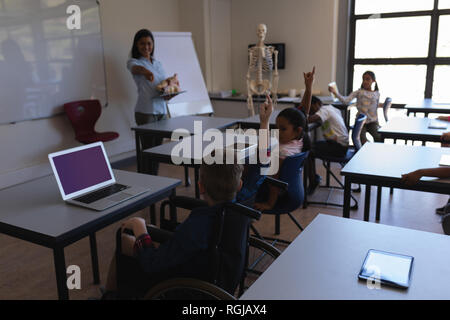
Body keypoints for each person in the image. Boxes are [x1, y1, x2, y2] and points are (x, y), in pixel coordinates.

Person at [103, 158, 244, 299]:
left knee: (125, 238)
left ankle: (109, 295)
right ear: (239, 186)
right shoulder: (237, 214)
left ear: (200, 187)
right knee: (150, 229)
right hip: (212, 273)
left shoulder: (197, 226)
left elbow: (152, 264)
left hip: (181, 285)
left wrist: (138, 226)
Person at [252, 72, 313, 211]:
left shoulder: (282, 152)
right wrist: (308, 87)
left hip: (276, 195)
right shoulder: (300, 139)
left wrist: (269, 204)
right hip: (295, 193)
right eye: (277, 127)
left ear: (297, 130)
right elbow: (304, 111)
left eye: (283, 129)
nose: (278, 132)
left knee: (242, 168)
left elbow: (274, 182)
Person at [127, 29, 178, 173]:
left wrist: (169, 92)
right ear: (136, 45)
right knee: (148, 151)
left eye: (149, 43)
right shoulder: (133, 62)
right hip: (146, 112)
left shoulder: (158, 63)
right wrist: (146, 72)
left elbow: (163, 85)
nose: (146, 47)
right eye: (142, 43)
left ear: (153, 45)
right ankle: (146, 182)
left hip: (161, 111)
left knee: (158, 151)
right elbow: (136, 69)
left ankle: (155, 180)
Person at [305, 95, 350, 194]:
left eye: (311, 109)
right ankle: (314, 178)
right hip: (343, 146)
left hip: (338, 147)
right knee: (311, 146)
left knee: (307, 150)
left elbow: (309, 119)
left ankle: (313, 182)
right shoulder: (332, 108)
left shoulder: (324, 110)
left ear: (317, 104)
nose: (311, 112)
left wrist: (298, 117)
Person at [328, 71, 382, 144]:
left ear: (373, 81)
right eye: (363, 79)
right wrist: (335, 93)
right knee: (361, 140)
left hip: (373, 122)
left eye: (368, 79)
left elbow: (375, 107)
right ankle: (367, 150)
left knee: (379, 137)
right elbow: (346, 100)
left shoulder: (377, 93)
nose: (365, 81)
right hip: (361, 122)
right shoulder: (359, 92)